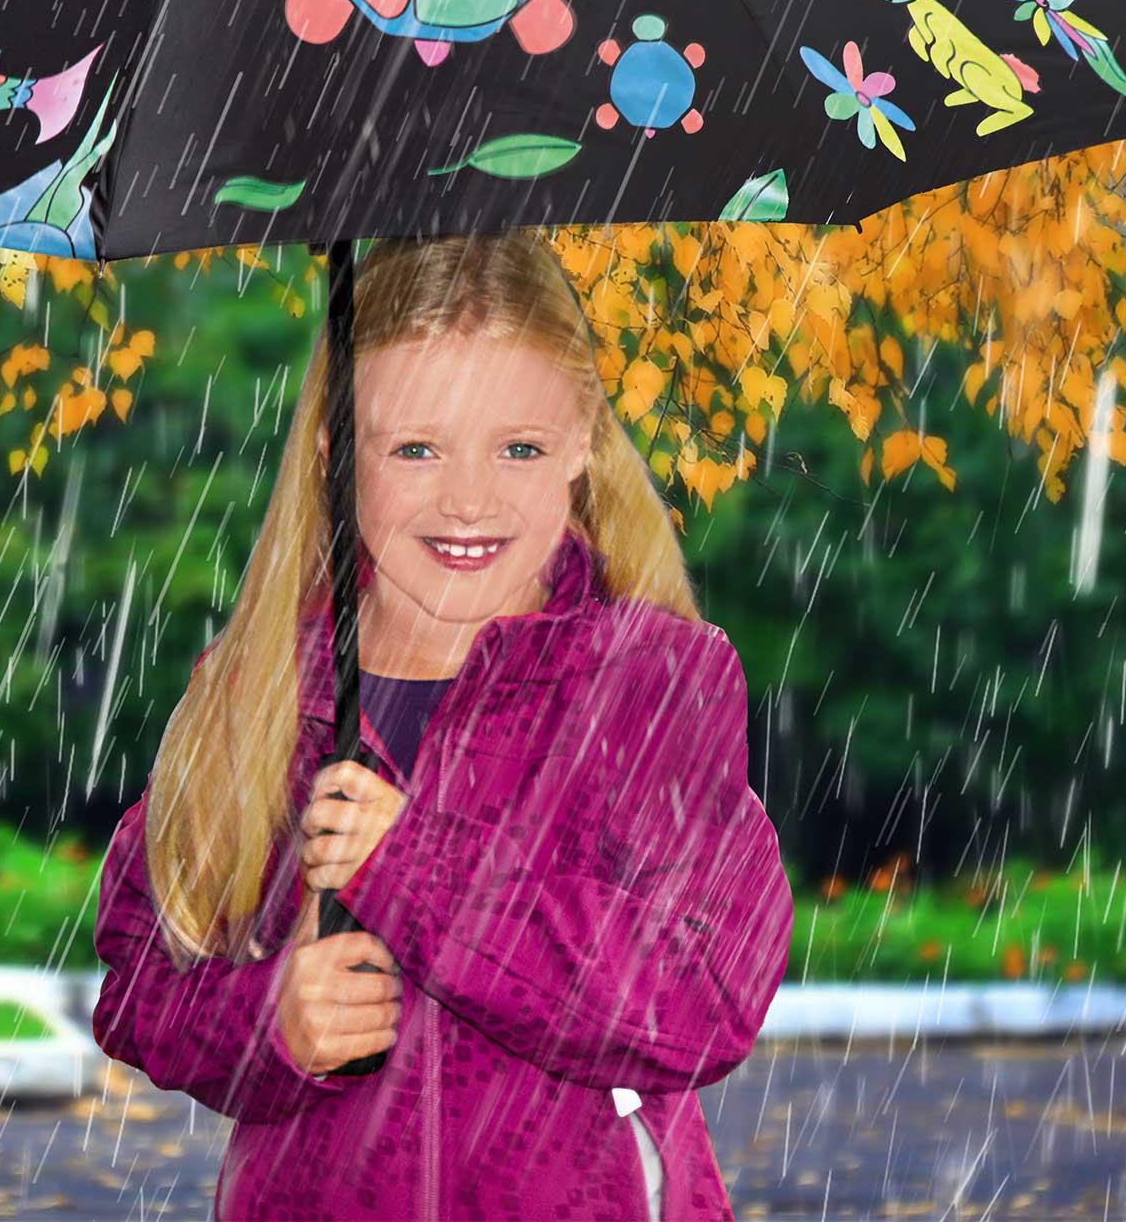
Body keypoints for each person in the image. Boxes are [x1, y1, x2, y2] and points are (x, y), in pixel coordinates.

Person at [91, 232, 793, 1220]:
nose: (470, 498)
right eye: (415, 448)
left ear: (582, 439)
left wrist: (413, 867)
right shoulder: (256, 690)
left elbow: (697, 1001)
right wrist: (271, 1024)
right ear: (336, 455)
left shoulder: (651, 682)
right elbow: (140, 979)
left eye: (519, 448)